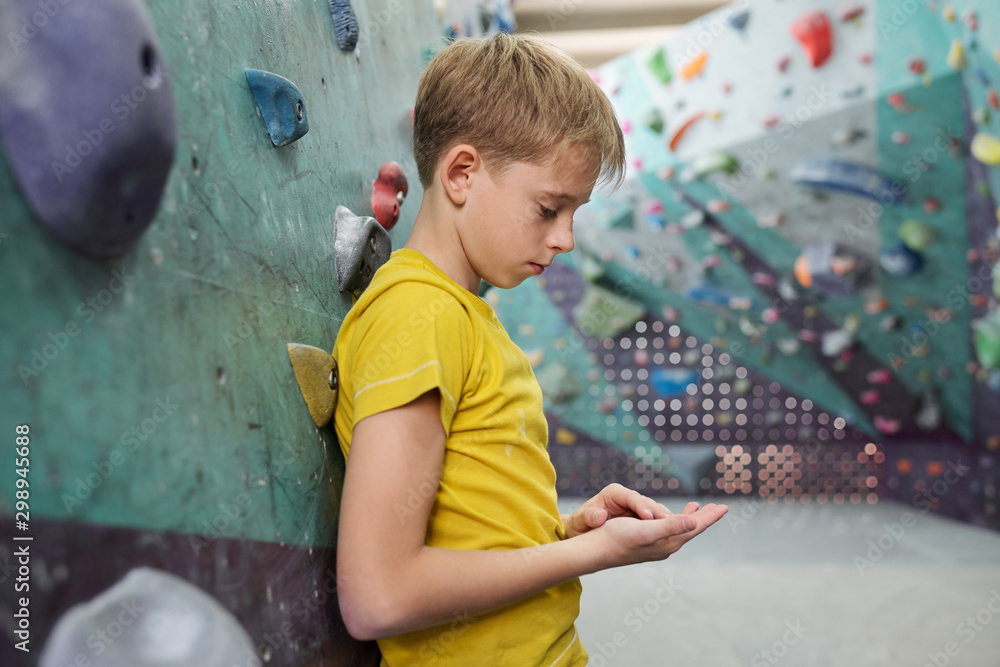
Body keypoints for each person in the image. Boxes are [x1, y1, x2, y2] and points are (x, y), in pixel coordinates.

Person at [332, 32, 729, 666]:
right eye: (549, 208)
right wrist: (593, 554)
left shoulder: (462, 315)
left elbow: (464, 528)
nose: (565, 237)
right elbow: (377, 595)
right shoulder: (418, 314)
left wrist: (565, 530)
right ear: (462, 173)